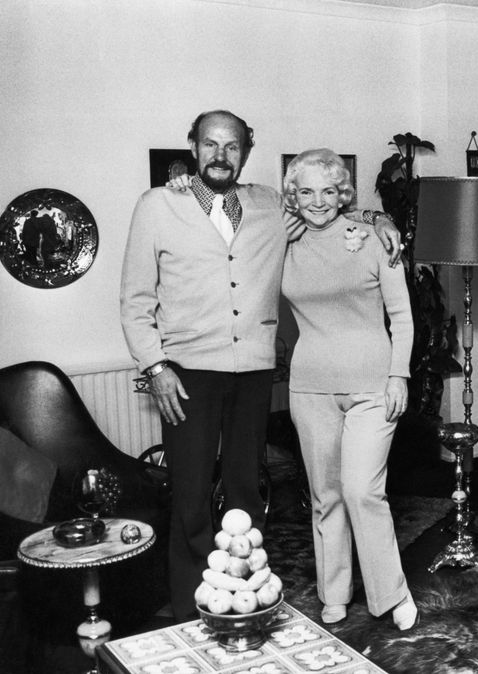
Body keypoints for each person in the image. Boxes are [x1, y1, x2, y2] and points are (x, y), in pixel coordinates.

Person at [120, 110, 400, 622]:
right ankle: (191, 608)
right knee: (190, 493)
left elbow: (333, 208)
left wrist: (381, 221)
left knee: (246, 489)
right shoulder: (159, 205)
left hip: (252, 372)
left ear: (246, 150)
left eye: (231, 146)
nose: (219, 155)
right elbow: (135, 299)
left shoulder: (271, 204)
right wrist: (156, 366)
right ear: (193, 146)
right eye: (210, 144)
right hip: (186, 374)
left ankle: (245, 599)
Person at [280, 148, 417, 630]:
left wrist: (398, 374)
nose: (318, 201)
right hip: (310, 387)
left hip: (372, 386)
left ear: (343, 192)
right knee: (326, 495)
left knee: (363, 491)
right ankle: (332, 592)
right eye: (305, 191)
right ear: (291, 195)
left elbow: (401, 316)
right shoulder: (281, 243)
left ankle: (391, 594)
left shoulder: (375, 238)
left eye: (328, 190)